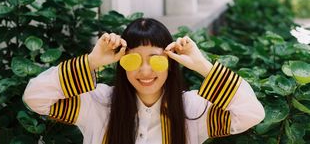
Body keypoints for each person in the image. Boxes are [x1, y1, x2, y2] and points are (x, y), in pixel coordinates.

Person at [23, 18, 265, 144]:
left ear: (171, 63)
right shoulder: (98, 104)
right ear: (121, 64)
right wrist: (91, 62)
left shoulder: (192, 110)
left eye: (156, 60)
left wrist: (203, 66)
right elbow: (35, 98)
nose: (145, 70)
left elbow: (251, 114)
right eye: (134, 60)